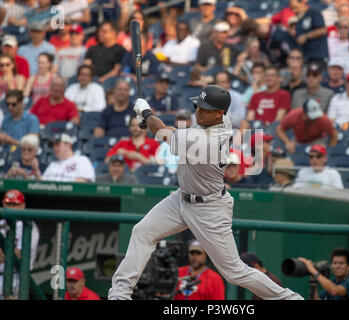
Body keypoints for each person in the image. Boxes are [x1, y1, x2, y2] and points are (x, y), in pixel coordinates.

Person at [107, 84, 303, 300]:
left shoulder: (206, 141)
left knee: (235, 272)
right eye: (197, 106)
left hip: (209, 208)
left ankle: (290, 298)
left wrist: (146, 113)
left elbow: (164, 133)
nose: (199, 112)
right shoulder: (220, 121)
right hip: (181, 199)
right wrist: (151, 121)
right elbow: (172, 132)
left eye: (206, 109)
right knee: (142, 232)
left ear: (220, 113)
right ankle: (120, 295)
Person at [0, 190, 40, 300]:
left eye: (15, 204)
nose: (11, 208)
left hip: (16, 278)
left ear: (23, 206)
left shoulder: (28, 226)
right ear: (3, 204)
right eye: (8, 204)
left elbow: (17, 255)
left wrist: (4, 254)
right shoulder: (1, 223)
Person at [290, 0, 328, 67]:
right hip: (306, 56)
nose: (294, 11)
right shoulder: (299, 19)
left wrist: (306, 36)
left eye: (295, 7)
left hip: (318, 55)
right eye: (292, 9)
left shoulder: (313, 12)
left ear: (302, 3)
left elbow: (323, 30)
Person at [155, 109, 193, 174]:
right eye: (179, 120)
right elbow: (159, 160)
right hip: (167, 175)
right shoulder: (167, 141)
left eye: (184, 120)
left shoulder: (195, 140)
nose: (181, 123)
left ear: (190, 122)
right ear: (175, 122)